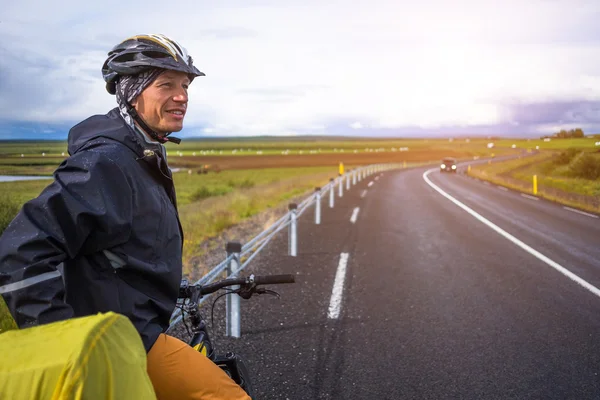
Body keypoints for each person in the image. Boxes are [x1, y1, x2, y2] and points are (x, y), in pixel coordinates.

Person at [0, 33, 251, 400]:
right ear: (131, 91)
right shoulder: (105, 162)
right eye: (166, 84)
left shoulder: (144, 153)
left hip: (138, 326)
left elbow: (119, 244)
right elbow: (20, 252)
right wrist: (68, 344)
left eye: (184, 85)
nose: (182, 96)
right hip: (126, 341)